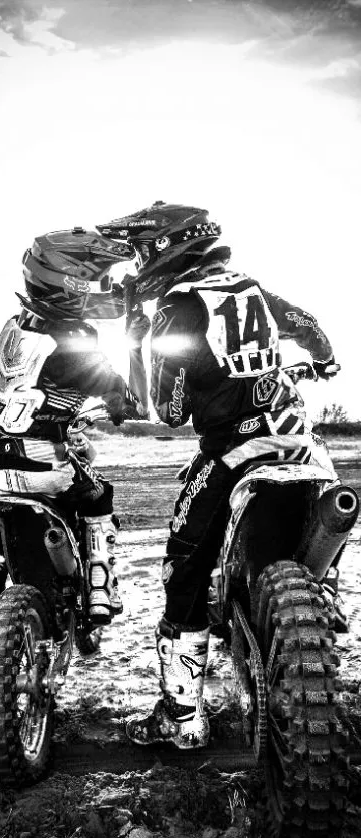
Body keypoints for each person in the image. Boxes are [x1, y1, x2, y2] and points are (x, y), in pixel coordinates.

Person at [97, 202, 340, 749]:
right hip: (299, 443)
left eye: (141, 250)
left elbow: (170, 409)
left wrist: (138, 344)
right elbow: (307, 326)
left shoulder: (179, 307)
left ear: (165, 247)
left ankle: (183, 720)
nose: (137, 263)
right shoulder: (250, 288)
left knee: (183, 566)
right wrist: (322, 358)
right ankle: (317, 600)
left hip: (233, 450)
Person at [0, 226, 142, 723]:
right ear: (70, 282)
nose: (104, 288)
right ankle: (101, 586)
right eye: (96, 278)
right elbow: (124, 398)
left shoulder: (12, 330)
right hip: (42, 465)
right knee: (99, 494)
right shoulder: (77, 340)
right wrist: (122, 398)